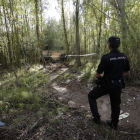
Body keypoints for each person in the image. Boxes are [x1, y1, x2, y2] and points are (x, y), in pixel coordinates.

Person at [88, 36, 130, 130]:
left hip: (107, 84)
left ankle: (96, 118)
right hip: (118, 84)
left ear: (109, 45)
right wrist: (119, 76)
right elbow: (127, 71)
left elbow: (97, 74)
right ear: (118, 45)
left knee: (91, 96)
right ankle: (114, 124)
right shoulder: (124, 56)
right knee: (115, 104)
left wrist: (101, 79)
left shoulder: (106, 57)